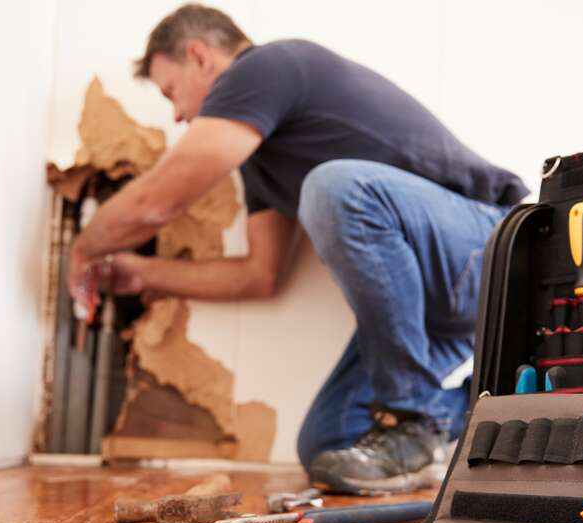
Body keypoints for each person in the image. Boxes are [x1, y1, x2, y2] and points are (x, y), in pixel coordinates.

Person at [69, 4, 529, 494]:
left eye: (171, 92)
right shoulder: (260, 162)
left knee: (333, 187)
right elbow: (259, 274)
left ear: (200, 56)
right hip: (430, 311)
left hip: (489, 249)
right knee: (329, 442)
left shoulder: (268, 67)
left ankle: (411, 421)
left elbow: (161, 201)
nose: (179, 115)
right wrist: (141, 274)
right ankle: (498, 418)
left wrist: (83, 250)